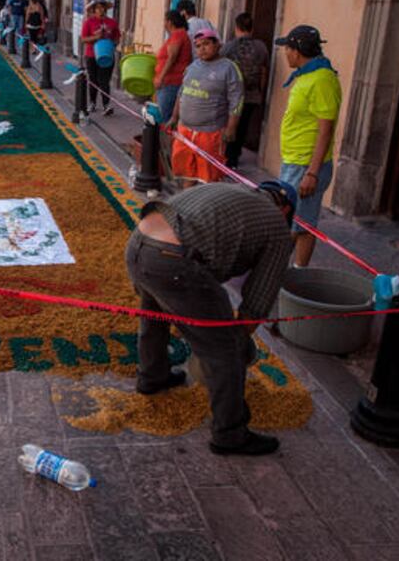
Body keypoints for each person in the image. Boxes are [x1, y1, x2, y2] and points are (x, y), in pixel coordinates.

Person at [126, 181, 296, 455]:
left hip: (137, 244)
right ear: (286, 209)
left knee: (154, 314)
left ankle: (152, 376)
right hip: (173, 259)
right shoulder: (278, 227)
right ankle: (230, 432)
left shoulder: (232, 190)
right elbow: (257, 300)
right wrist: (236, 344)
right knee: (224, 347)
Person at [274, 24, 341, 267]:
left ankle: (297, 272)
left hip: (306, 165)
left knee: (302, 223)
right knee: (292, 218)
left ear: (296, 51)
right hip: (295, 161)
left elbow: (326, 129)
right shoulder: (308, 74)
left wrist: (312, 173)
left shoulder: (322, 79)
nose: (285, 53)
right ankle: (282, 267)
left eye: (287, 49)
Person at [170, 28, 244, 186]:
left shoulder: (229, 68)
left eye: (206, 44)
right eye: (197, 46)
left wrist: (232, 127)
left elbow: (237, 100)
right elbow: (181, 93)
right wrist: (174, 117)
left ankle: (204, 207)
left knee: (208, 178)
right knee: (187, 173)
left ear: (218, 45)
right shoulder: (192, 67)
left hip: (211, 133)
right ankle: (185, 205)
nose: (202, 48)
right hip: (185, 131)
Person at [221, 13, 269, 169]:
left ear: (236, 28)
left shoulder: (228, 47)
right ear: (251, 28)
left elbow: (222, 69)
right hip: (251, 95)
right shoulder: (261, 47)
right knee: (242, 127)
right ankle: (234, 159)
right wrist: (261, 92)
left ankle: (226, 157)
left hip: (231, 95)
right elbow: (263, 71)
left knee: (229, 125)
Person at [80, 0, 121, 115]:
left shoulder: (112, 22)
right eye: (98, 8)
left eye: (102, 7)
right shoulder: (89, 22)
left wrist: (113, 44)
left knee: (104, 81)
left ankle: (106, 105)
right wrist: (95, 38)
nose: (101, 9)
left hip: (107, 55)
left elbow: (117, 37)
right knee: (93, 80)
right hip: (91, 55)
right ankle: (92, 103)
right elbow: (83, 39)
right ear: (94, 10)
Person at [153, 10, 192, 124]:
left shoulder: (177, 35)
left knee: (165, 117)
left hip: (170, 83)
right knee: (164, 115)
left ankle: (165, 141)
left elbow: (172, 57)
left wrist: (160, 77)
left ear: (170, 22)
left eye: (165, 21)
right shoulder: (179, 34)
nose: (164, 24)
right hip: (170, 83)